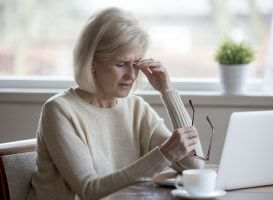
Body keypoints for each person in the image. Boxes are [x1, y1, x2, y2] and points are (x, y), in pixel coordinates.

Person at [27, 7, 205, 200]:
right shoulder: (59, 110)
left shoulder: (137, 108)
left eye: (136, 64)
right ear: (92, 62)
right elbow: (89, 190)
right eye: (121, 64)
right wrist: (164, 155)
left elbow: (194, 165)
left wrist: (168, 91)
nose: (131, 74)